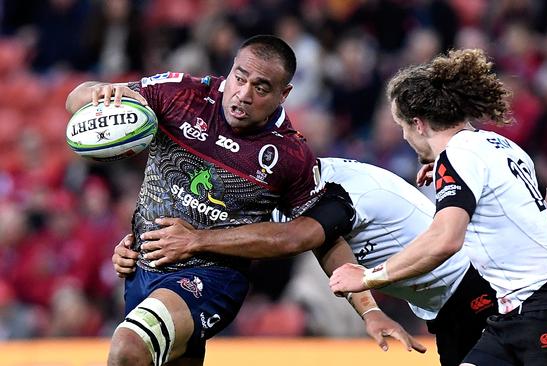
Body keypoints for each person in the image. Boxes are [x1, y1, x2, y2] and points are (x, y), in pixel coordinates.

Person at [66, 35, 406, 366]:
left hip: (211, 279)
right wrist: (93, 93)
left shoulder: (289, 154)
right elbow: (75, 103)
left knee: (128, 348)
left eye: (260, 88)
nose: (242, 95)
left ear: (283, 94)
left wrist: (369, 310)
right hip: (143, 268)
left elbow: (322, 235)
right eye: (239, 78)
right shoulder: (181, 94)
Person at [329, 49, 547, 366]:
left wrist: (369, 278)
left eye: (403, 128)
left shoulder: (458, 157)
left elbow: (445, 240)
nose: (405, 138)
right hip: (516, 310)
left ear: (418, 124)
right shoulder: (500, 145)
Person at [113, 157, 495, 366]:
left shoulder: (341, 196)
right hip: (443, 307)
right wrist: (138, 246)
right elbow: (239, 234)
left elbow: (314, 239)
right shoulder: (281, 197)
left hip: (475, 291)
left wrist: (369, 308)